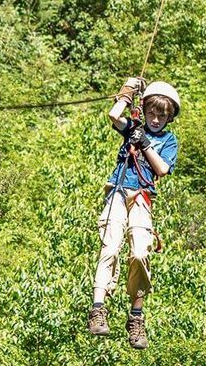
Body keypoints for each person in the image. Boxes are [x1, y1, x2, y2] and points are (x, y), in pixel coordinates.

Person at [87, 77, 180, 350]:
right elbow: (114, 115)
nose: (154, 119)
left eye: (161, 115)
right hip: (118, 190)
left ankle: (136, 316)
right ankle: (98, 308)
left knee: (140, 251)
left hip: (141, 195)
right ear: (145, 109)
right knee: (110, 246)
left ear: (169, 117)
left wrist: (146, 145)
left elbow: (162, 169)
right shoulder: (134, 127)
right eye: (151, 112)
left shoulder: (169, 140)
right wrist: (127, 91)